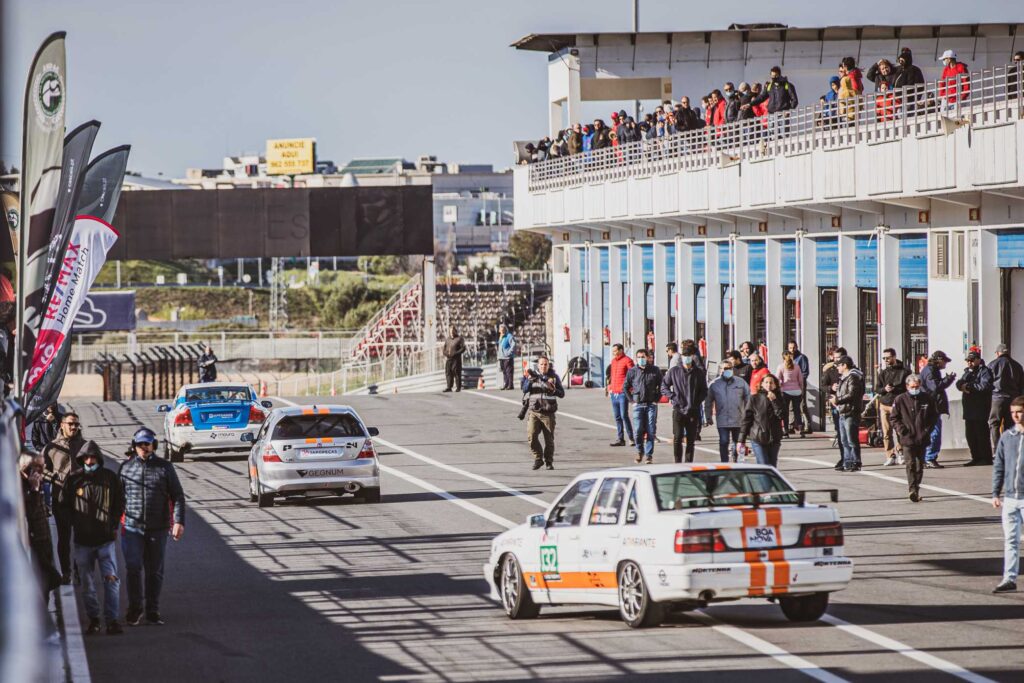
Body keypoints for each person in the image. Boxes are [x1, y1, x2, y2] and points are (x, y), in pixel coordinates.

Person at [118, 428, 185, 626]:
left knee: (154, 570)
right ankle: (135, 608)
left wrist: (178, 521)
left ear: (153, 445)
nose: (144, 448)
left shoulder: (165, 468)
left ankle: (152, 610)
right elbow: (117, 499)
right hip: (132, 528)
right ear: (134, 446)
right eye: (140, 444)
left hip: (158, 528)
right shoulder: (125, 468)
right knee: (133, 568)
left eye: (147, 444)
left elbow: (178, 496)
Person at [62, 441, 125, 635]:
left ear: (99, 458)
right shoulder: (73, 480)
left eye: (93, 457)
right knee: (87, 585)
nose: (90, 460)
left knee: (112, 581)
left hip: (105, 541)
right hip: (82, 542)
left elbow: (119, 502)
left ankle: (112, 620)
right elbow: (64, 505)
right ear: (81, 459)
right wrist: (74, 524)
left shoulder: (109, 478)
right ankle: (94, 619)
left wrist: (113, 524)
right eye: (86, 458)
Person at [43, 411, 86, 583]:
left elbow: (97, 466)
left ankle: (79, 570)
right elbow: (42, 469)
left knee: (81, 537)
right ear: (62, 425)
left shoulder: (85, 445)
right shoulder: (52, 447)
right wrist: (54, 477)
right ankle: (66, 572)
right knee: (64, 537)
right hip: (61, 499)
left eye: (76, 424)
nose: (74, 427)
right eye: (71, 424)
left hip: (83, 500)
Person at [890, 374, 939, 503]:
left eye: (917, 386)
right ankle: (912, 490)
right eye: (912, 387)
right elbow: (894, 418)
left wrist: (927, 430)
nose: (915, 389)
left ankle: (916, 488)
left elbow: (934, 416)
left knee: (919, 465)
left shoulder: (927, 398)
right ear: (907, 387)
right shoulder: (900, 399)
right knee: (910, 464)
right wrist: (902, 430)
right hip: (907, 438)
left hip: (922, 437)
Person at [19, 451, 62, 595]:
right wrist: (35, 490)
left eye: (42, 466)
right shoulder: (23, 488)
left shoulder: (38, 484)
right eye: (36, 467)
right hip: (34, 542)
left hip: (43, 539)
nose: (41, 471)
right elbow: (31, 514)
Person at [993, 396, 1024, 593]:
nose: (1015, 415)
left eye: (1019, 411)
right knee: (1011, 539)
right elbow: (999, 465)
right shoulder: (1007, 436)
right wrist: (996, 492)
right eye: (1013, 412)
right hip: (1011, 498)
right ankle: (1009, 578)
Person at [661, 344, 708, 463]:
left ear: (693, 357)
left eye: (689, 356)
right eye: (684, 356)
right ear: (681, 357)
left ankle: (688, 462)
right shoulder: (674, 371)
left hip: (693, 410)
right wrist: (672, 396)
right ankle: (677, 462)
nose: (687, 358)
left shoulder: (698, 373)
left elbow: (704, 390)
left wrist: (697, 401)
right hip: (678, 409)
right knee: (677, 437)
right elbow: (664, 386)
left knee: (691, 439)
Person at [521, 356, 564, 470]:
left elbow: (561, 394)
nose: (543, 366)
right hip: (534, 411)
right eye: (541, 364)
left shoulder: (554, 377)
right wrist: (529, 380)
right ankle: (538, 458)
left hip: (548, 412)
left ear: (548, 365)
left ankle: (549, 461)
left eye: (546, 364)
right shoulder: (531, 375)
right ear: (538, 365)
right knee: (532, 436)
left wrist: (553, 388)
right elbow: (524, 389)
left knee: (549, 440)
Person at [705, 359, 750, 463]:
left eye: (730, 368)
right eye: (725, 368)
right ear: (720, 370)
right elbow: (708, 401)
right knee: (724, 441)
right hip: (722, 419)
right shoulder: (714, 384)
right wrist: (708, 416)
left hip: (738, 418)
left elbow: (748, 397)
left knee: (739, 442)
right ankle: (724, 463)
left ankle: (739, 462)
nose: (728, 370)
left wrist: (749, 414)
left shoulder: (740, 382)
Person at [738, 373, 786, 468]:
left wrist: (774, 401)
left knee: (772, 468)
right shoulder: (754, 398)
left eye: (771, 382)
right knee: (763, 465)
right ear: (762, 384)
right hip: (758, 437)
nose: (769, 385)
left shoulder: (780, 398)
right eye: (766, 382)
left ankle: (769, 483)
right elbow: (746, 419)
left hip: (774, 438)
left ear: (775, 385)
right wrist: (741, 440)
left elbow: (781, 415)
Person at [958, 351, 995, 467]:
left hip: (980, 408)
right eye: (968, 361)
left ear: (978, 360)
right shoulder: (967, 372)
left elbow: (984, 386)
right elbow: (959, 383)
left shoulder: (985, 371)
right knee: (970, 435)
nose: (970, 363)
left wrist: (969, 386)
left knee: (981, 434)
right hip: (969, 408)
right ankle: (976, 457)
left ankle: (986, 457)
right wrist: (962, 385)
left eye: (972, 360)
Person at [624, 349, 661, 464]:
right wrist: (631, 401)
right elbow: (625, 387)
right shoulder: (632, 371)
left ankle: (649, 455)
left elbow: (662, 385)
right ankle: (640, 451)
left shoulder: (654, 370)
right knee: (638, 430)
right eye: (639, 357)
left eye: (643, 357)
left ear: (647, 357)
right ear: (636, 358)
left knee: (651, 430)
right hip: (638, 404)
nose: (641, 359)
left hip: (651, 404)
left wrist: (656, 400)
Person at [920, 350, 956, 468]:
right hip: (932, 406)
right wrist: (948, 379)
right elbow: (935, 387)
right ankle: (929, 458)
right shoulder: (931, 371)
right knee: (934, 433)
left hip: (930, 405)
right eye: (945, 361)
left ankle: (926, 458)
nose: (945, 364)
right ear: (939, 360)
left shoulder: (930, 370)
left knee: (931, 432)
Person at [876, 348, 911, 466]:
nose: (886, 360)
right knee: (886, 432)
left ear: (894, 357)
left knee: (899, 430)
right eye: (884, 358)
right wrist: (884, 389)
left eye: (888, 358)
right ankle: (890, 455)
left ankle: (901, 453)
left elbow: (909, 387)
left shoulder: (904, 372)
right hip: (884, 404)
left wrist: (896, 389)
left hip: (897, 404)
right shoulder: (883, 373)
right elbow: (877, 388)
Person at [988, 343, 1024, 452]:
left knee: (994, 423)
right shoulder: (1017, 365)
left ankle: (998, 450)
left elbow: (988, 383)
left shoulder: (992, 364)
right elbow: (1021, 385)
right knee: (1010, 424)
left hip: (997, 398)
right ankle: (1009, 449)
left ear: (998, 353)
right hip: (1013, 399)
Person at [832, 356, 864, 472]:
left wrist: (838, 399)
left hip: (850, 411)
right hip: (842, 411)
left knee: (851, 439)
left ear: (844, 365)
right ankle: (847, 462)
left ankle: (856, 461)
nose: (837, 368)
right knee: (844, 440)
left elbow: (852, 394)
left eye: (839, 365)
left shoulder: (853, 377)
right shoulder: (843, 378)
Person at [605, 344, 636, 447]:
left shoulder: (628, 360)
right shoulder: (613, 361)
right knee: (617, 417)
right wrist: (609, 387)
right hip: (614, 392)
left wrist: (630, 389)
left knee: (624, 415)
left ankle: (631, 438)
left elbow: (633, 375)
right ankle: (620, 439)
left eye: (615, 351)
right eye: (613, 351)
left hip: (623, 393)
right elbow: (612, 376)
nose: (614, 353)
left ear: (621, 350)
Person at [776, 352, 805, 437]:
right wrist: (801, 390)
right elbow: (800, 380)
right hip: (796, 391)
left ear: (783, 358)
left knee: (786, 412)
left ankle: (786, 430)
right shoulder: (797, 366)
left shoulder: (781, 367)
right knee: (797, 411)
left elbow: (777, 379)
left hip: (785, 391)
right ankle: (800, 430)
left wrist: (780, 386)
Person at [786, 340, 812, 434]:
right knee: (791, 406)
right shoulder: (788, 358)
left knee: (802, 404)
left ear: (797, 347)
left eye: (793, 347)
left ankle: (807, 425)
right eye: (790, 348)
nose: (792, 349)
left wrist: (800, 381)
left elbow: (805, 372)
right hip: (790, 384)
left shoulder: (802, 357)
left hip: (799, 384)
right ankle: (791, 425)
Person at [442, 325, 465, 392]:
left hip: (456, 359)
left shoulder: (459, 339)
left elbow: (463, 348)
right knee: (448, 372)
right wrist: (446, 353)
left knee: (456, 372)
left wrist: (456, 353)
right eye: (450, 331)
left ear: (455, 331)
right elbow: (444, 349)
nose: (451, 332)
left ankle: (458, 387)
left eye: (453, 331)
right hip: (449, 359)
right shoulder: (447, 339)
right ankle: (449, 387)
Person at [497, 324, 516, 391]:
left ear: (505, 329)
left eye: (503, 330)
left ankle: (510, 385)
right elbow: (500, 347)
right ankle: (506, 384)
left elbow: (513, 345)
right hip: (502, 357)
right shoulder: (501, 337)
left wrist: (509, 353)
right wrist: (498, 357)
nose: (502, 331)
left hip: (507, 357)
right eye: (501, 330)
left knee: (509, 371)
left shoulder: (509, 336)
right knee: (504, 372)